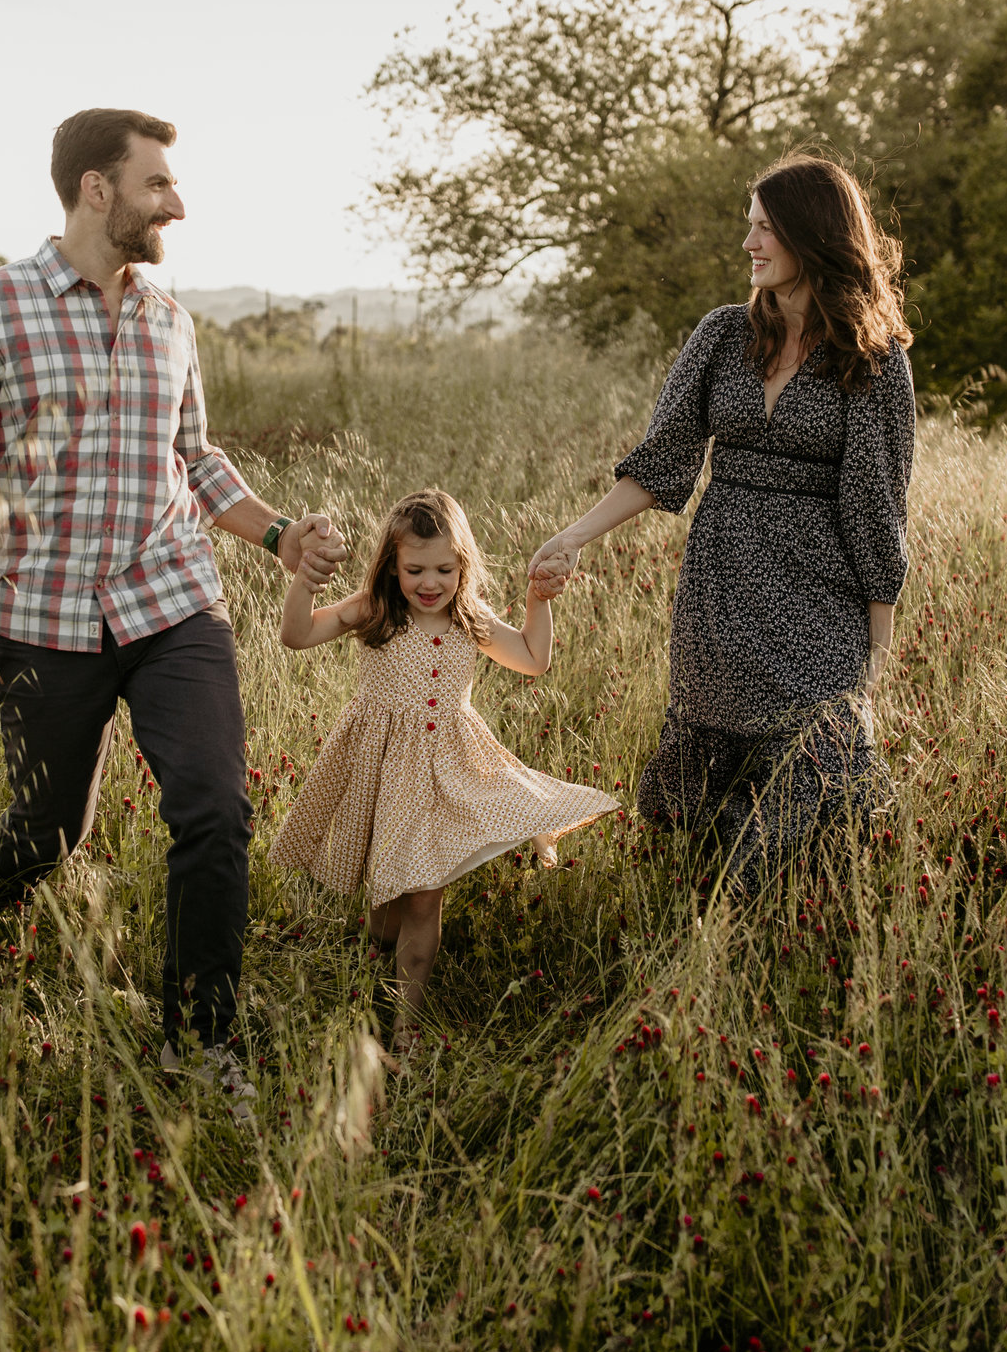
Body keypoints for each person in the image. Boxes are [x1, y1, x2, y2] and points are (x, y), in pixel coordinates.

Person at [0, 107, 349, 1100]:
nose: (177, 204)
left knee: (214, 811)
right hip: (43, 617)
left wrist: (282, 536)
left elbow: (193, 460)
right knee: (48, 825)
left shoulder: (169, 317)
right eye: (157, 184)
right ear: (95, 188)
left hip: (171, 602)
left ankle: (199, 1043)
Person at [528, 152, 914, 892]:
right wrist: (573, 536)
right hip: (722, 589)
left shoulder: (873, 357)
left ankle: (799, 918)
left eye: (766, 229)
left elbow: (877, 505)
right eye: (750, 228)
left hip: (819, 600)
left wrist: (879, 635)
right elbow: (664, 459)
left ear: (814, 235)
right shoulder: (720, 335)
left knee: (825, 767)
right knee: (714, 797)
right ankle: (720, 930)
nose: (750, 244)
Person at [270, 489, 614, 1052]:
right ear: (391, 566)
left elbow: (532, 657)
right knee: (383, 912)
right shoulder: (374, 609)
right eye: (415, 569)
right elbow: (297, 635)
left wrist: (538, 599)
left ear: (464, 566)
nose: (430, 582)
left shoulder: (469, 619)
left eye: (445, 569)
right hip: (381, 775)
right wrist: (304, 584)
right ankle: (367, 991)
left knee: (424, 897)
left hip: (450, 772)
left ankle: (406, 1029)